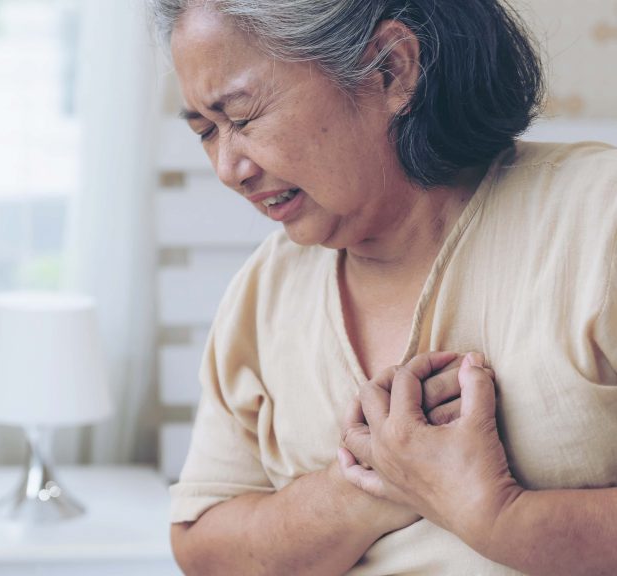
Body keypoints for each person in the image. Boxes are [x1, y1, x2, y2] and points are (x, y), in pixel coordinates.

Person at [145, 0, 617, 574]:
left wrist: (500, 517)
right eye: (205, 131)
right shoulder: (265, 290)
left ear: (391, 69)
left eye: (242, 118)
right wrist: (368, 482)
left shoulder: (599, 222)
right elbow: (203, 546)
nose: (227, 168)